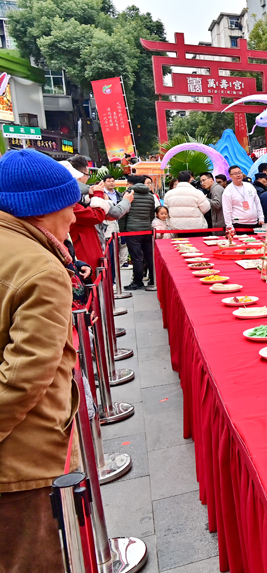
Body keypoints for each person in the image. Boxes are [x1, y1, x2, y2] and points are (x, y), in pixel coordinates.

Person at [0, 149, 80, 572]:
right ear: (42, 209)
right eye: (68, 205)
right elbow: (23, 379)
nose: (74, 216)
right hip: (22, 460)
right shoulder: (40, 268)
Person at [123, 174, 158, 290]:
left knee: (137, 257)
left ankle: (138, 281)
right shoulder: (150, 195)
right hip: (147, 229)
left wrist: (122, 230)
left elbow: (123, 213)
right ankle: (153, 279)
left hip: (132, 230)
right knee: (149, 256)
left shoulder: (129, 194)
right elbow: (152, 214)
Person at [223, 165, 264, 235]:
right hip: (239, 224)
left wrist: (261, 217)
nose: (238, 175)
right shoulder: (228, 191)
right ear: (230, 176)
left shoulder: (250, 186)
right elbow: (227, 210)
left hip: (254, 223)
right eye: (235, 174)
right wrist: (230, 226)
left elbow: (257, 203)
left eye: (239, 172)